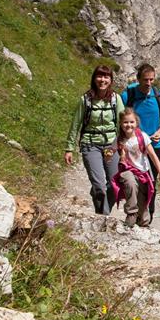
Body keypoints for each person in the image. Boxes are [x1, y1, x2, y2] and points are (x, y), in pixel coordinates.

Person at [65, 65, 124, 215]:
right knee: (99, 185)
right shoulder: (85, 100)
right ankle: (103, 216)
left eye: (106, 77)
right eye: (99, 76)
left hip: (111, 145)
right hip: (90, 144)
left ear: (111, 80)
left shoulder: (115, 99)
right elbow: (76, 124)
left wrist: (124, 145)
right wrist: (69, 148)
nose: (102, 80)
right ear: (94, 79)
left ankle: (102, 207)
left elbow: (123, 124)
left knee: (115, 183)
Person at [121, 64, 160, 219]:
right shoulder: (128, 95)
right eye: (145, 79)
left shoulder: (159, 95)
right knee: (133, 179)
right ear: (138, 79)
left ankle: (148, 215)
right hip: (134, 145)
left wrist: (159, 131)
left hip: (154, 144)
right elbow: (121, 118)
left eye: (151, 79)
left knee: (151, 181)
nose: (149, 83)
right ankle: (134, 212)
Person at [111, 107, 160, 227]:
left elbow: (153, 155)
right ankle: (131, 213)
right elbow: (110, 152)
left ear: (136, 122)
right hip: (128, 171)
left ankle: (142, 221)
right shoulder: (119, 139)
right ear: (120, 124)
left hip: (142, 174)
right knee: (129, 181)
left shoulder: (142, 136)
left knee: (144, 215)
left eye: (131, 122)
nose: (128, 125)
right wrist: (108, 154)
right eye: (125, 122)